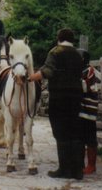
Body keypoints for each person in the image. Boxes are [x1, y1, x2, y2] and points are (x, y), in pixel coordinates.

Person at [29, 28, 84, 180]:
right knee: (74, 131)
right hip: (76, 95)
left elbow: (48, 72)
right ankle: (78, 170)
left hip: (60, 95)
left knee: (61, 131)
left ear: (59, 38)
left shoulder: (55, 52)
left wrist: (30, 78)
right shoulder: (78, 55)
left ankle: (64, 169)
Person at [77, 48, 99, 175]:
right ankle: (80, 164)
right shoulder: (77, 71)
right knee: (79, 137)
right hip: (80, 110)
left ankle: (91, 165)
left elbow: (86, 86)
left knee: (90, 138)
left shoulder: (89, 70)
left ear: (83, 59)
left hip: (89, 110)